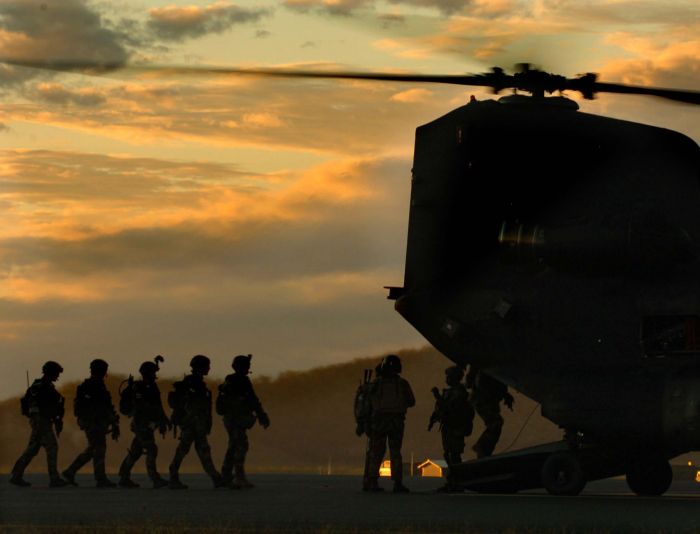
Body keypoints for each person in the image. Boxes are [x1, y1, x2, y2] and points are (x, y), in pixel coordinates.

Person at [168, 355, 224, 489]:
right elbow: (190, 406)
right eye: (206, 366)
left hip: (197, 424)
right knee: (186, 450)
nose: (209, 368)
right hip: (191, 424)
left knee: (202, 450)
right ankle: (173, 475)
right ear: (200, 367)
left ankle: (216, 478)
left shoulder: (198, 383)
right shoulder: (191, 383)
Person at [62, 358, 120, 488]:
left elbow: (106, 406)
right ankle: (100, 478)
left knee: (93, 450)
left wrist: (112, 420)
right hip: (93, 423)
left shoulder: (98, 385)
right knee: (98, 449)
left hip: (98, 423)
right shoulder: (89, 386)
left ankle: (70, 471)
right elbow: (91, 407)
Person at [10, 361, 68, 487]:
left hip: (42, 421)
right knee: (51, 447)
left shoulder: (42, 386)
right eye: (56, 373)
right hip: (41, 421)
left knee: (32, 449)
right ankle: (54, 478)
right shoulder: (42, 387)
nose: (57, 376)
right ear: (50, 372)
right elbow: (39, 405)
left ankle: (16, 475)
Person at [216, 354, 270, 488]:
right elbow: (252, 399)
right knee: (239, 445)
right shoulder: (238, 381)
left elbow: (251, 399)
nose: (248, 369)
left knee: (236, 445)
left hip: (235, 419)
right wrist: (261, 414)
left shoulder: (233, 380)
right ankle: (234, 476)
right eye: (246, 366)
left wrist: (260, 414)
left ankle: (229, 475)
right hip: (235, 419)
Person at [117, 358, 170, 489]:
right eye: (152, 372)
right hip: (141, 424)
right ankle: (155, 479)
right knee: (152, 448)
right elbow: (142, 406)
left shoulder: (152, 386)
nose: (155, 374)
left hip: (148, 424)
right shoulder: (139, 387)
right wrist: (157, 416)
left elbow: (158, 405)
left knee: (136, 451)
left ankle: (124, 476)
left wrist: (163, 419)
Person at [365, 354, 415, 493]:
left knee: (376, 452)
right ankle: (397, 483)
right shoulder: (402, 383)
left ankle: (372, 481)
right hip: (396, 422)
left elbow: (367, 402)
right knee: (395, 452)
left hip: (378, 422)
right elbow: (411, 401)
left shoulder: (375, 383)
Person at [428, 366, 474, 490]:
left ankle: (457, 481)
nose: (446, 379)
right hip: (449, 427)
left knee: (454, 455)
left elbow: (450, 408)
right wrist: (433, 420)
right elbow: (441, 409)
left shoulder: (460, 393)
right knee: (448, 454)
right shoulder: (451, 392)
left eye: (449, 376)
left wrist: (438, 396)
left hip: (456, 428)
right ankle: (453, 481)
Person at [466, 365, 514, 458]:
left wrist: (505, 394)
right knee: (496, 423)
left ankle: (483, 449)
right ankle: (482, 448)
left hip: (488, 399)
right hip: (483, 399)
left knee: (496, 423)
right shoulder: (482, 367)